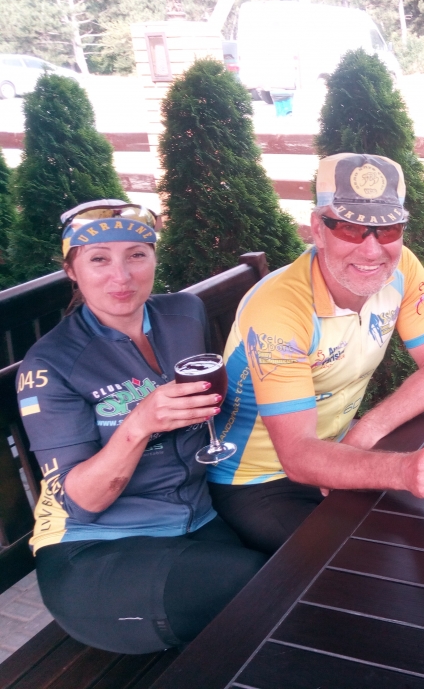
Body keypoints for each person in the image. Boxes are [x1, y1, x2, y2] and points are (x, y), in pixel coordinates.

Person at [17, 200, 267, 654]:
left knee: (292, 565)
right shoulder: (51, 365)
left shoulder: (184, 313)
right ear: (71, 270)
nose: (122, 276)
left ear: (154, 257)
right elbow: (83, 503)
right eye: (99, 259)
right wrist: (139, 425)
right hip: (95, 551)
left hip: (196, 520)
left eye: (136, 254)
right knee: (256, 586)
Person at [206, 153, 424, 555]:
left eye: (388, 229)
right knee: (360, 565)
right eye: (350, 228)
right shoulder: (280, 309)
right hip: (260, 479)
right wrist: (404, 469)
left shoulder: (402, 267)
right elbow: (298, 455)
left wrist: (364, 432)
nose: (372, 251)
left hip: (341, 448)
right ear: (318, 229)